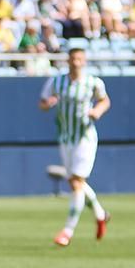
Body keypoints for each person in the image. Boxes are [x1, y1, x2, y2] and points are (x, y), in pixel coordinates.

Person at [38, 47, 111, 246]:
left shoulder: (93, 82)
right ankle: (100, 214)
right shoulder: (57, 81)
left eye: (79, 59)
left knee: (77, 182)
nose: (76, 62)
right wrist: (48, 104)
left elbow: (105, 101)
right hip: (65, 137)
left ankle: (67, 231)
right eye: (73, 59)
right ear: (68, 61)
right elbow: (42, 103)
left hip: (85, 137)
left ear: (84, 61)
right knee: (75, 182)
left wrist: (97, 111)